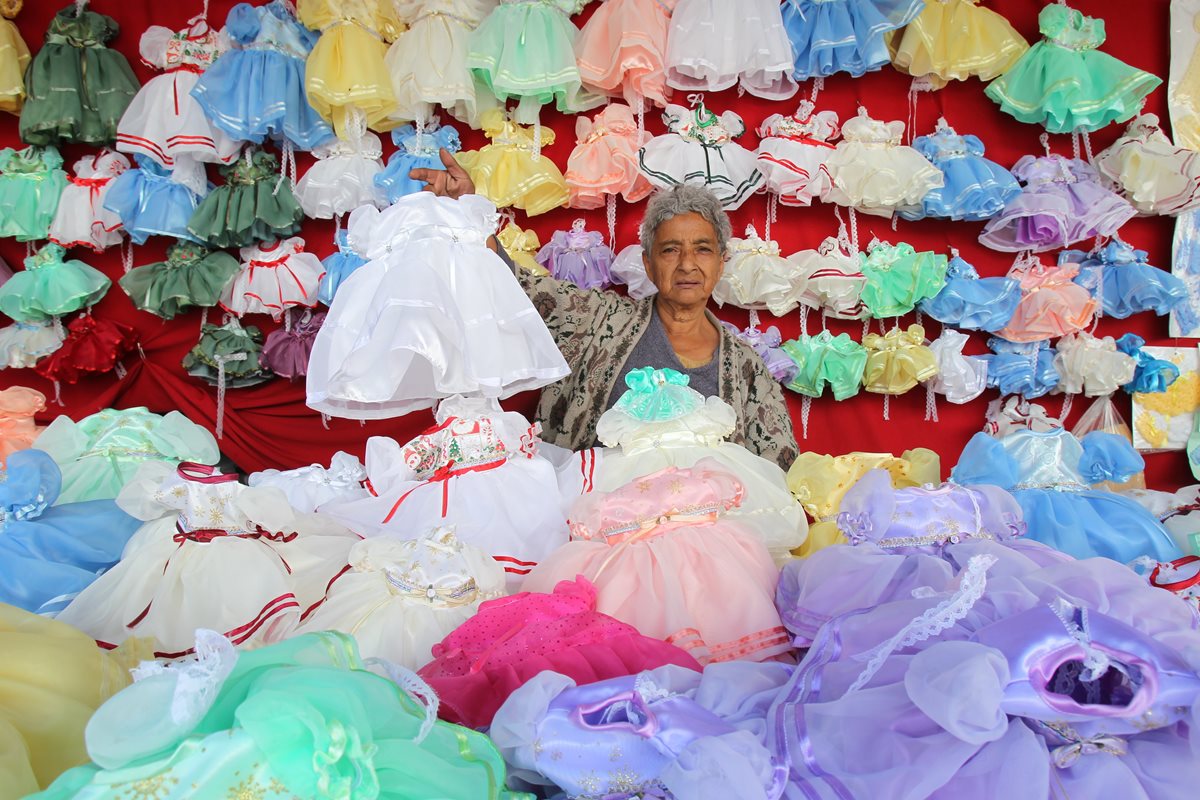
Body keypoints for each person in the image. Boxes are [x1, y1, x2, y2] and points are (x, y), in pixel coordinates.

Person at [411, 150, 798, 469]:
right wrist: (464, 215)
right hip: (598, 518)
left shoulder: (747, 366)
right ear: (647, 263)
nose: (686, 264)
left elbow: (779, 464)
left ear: (721, 261)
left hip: (705, 528)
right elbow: (519, 286)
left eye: (702, 248)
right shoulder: (598, 318)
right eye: (669, 250)